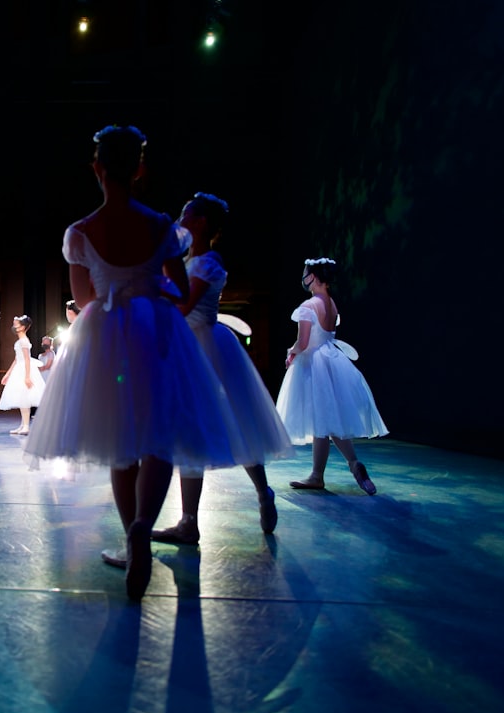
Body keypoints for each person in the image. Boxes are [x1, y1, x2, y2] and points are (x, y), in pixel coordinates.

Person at [25, 125, 244, 600]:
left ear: (97, 169)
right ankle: (146, 524)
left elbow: (83, 297)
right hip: (158, 332)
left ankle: (132, 537)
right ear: (139, 169)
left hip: (107, 334)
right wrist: (148, 291)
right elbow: (182, 291)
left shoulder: (80, 232)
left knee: (120, 440)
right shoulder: (162, 226)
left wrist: (115, 293)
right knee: (158, 436)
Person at [150, 193, 294, 546]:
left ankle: (263, 492)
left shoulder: (209, 261)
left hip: (209, 348)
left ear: (199, 222)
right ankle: (187, 521)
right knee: (188, 431)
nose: (180, 217)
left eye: (186, 213)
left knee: (239, 424)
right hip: (185, 349)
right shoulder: (186, 261)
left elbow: (184, 305)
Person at [275, 257, 388, 494]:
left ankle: (335, 469)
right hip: (332, 362)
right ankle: (332, 470)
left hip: (315, 365)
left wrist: (291, 352)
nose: (304, 277)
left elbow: (303, 342)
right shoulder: (331, 303)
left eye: (306, 273)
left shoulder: (308, 306)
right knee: (325, 422)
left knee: (324, 421)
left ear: (314, 277)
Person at [0, 315, 45, 434]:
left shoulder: (24, 340)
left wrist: (27, 376)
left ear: (23, 327)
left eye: (17, 324)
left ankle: (26, 426)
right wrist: (8, 374)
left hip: (24, 369)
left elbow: (27, 359)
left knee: (25, 398)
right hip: (19, 368)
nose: (14, 326)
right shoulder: (20, 340)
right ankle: (23, 425)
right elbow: (16, 359)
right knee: (21, 399)